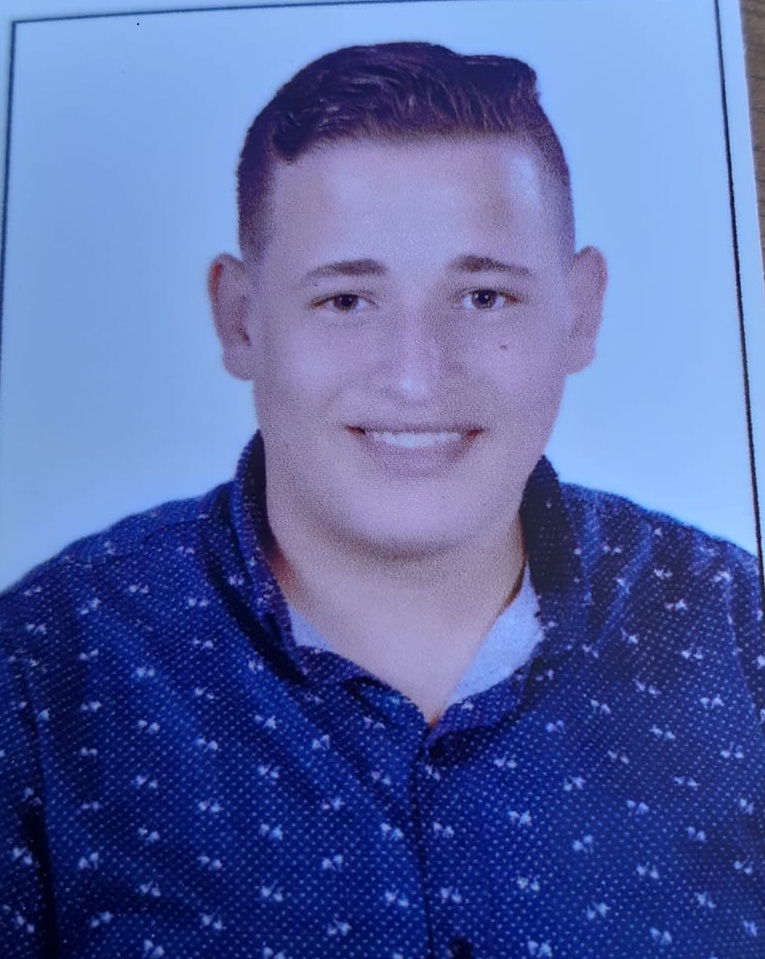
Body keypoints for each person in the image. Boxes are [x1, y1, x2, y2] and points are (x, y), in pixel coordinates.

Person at [1, 41, 763, 959]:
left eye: (483, 296)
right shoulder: (36, 674)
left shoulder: (739, 630)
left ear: (580, 310)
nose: (414, 376)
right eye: (346, 301)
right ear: (241, 319)